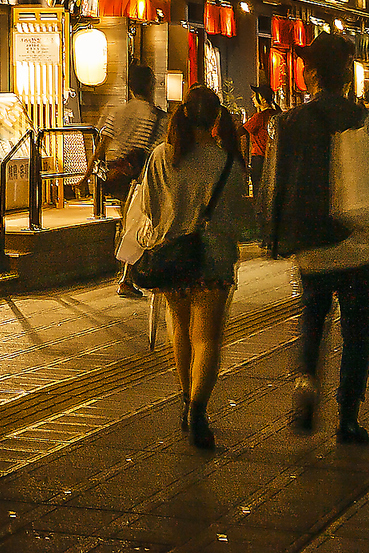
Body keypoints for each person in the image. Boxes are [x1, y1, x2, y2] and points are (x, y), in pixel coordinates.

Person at [259, 32, 369, 444]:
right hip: (361, 245)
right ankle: (348, 416)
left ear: (311, 74)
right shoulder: (367, 119)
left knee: (313, 318)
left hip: (313, 245)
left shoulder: (288, 122)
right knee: (357, 329)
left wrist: (273, 236)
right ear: (347, 75)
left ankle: (306, 383)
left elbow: (275, 182)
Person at [137, 85, 250, 449]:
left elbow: (149, 207)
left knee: (181, 331)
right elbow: (237, 216)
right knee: (207, 338)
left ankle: (186, 401)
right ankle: (199, 411)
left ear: (184, 113)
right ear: (216, 118)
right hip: (214, 258)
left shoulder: (162, 156)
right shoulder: (228, 162)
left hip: (171, 255)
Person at [94, 63, 167, 298]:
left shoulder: (117, 112)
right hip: (142, 178)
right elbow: (160, 150)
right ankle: (128, 276)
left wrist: (86, 175)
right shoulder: (156, 116)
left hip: (116, 177)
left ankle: (126, 274)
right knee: (138, 223)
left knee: (129, 221)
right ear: (150, 85)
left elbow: (101, 146)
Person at [242, 84, 278, 197]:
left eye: (255, 95)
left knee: (259, 193)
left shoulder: (259, 117)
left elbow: (241, 131)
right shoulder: (278, 114)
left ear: (262, 99)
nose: (252, 98)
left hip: (260, 159)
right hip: (275, 158)